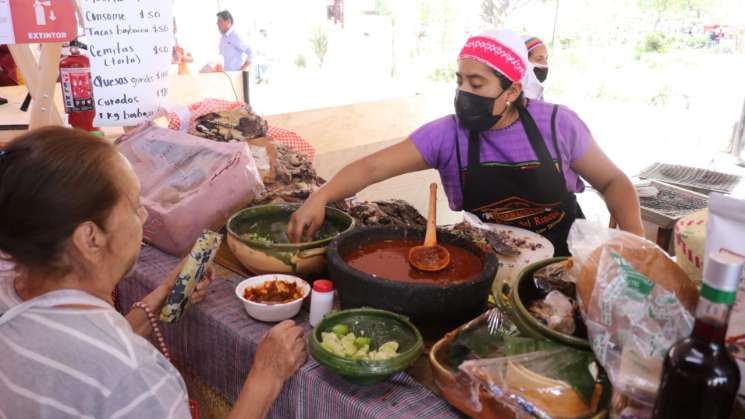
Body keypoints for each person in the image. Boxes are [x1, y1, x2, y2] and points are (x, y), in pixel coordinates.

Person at [0, 127, 306, 418]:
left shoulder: (11, 300)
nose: (144, 215)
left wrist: (162, 296)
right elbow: (106, 363)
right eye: (134, 206)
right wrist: (267, 377)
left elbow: (80, 352)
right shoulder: (133, 375)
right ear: (90, 238)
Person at [289, 29, 643, 256]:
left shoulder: (556, 124)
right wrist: (320, 197)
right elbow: (371, 167)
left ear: (512, 90)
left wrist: (637, 249)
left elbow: (613, 183)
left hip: (564, 260)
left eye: (477, 84)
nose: (463, 92)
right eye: (459, 81)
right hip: (493, 258)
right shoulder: (447, 135)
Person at [523, 36, 549, 100]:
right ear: (524, 60)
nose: (546, 64)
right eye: (539, 59)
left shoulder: (537, 94)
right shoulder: (510, 96)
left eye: (546, 58)